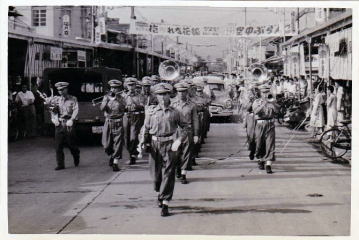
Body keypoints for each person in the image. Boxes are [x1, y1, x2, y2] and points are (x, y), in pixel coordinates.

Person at [142, 83, 188, 217]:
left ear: (170, 95)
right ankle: (160, 191)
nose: (162, 97)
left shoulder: (175, 112)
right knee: (156, 177)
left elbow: (186, 128)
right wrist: (143, 142)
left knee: (169, 174)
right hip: (155, 145)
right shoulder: (151, 112)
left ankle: (165, 202)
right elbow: (145, 128)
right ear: (156, 96)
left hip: (170, 144)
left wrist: (178, 141)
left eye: (165, 94)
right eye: (160, 94)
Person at [45, 82, 80, 170]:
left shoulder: (73, 99)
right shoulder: (56, 99)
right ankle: (60, 164)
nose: (60, 91)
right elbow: (52, 110)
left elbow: (76, 110)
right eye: (59, 90)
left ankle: (76, 155)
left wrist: (72, 119)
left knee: (71, 144)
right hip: (59, 124)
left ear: (66, 89)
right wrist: (53, 118)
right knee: (58, 146)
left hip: (69, 123)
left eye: (62, 89)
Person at [171, 82, 199, 184]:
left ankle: (183, 174)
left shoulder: (192, 105)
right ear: (177, 92)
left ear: (187, 92)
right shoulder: (172, 104)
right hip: (176, 131)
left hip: (187, 131)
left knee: (187, 153)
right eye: (179, 92)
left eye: (183, 92)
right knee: (176, 153)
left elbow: (195, 120)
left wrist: (196, 134)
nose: (181, 94)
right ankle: (178, 169)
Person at [100, 79, 126, 172]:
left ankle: (115, 162)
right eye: (112, 88)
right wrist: (106, 100)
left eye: (115, 88)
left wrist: (117, 99)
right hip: (108, 121)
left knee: (118, 143)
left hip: (118, 122)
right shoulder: (106, 97)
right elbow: (102, 108)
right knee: (106, 144)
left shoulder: (122, 98)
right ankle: (112, 155)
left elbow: (123, 108)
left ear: (119, 88)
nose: (113, 89)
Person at [252, 84, 279, 174]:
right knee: (259, 144)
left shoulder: (272, 101)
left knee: (270, 144)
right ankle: (260, 159)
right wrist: (264, 104)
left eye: (267, 92)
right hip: (260, 124)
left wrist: (273, 103)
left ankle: (268, 164)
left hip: (270, 124)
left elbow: (277, 111)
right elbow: (256, 111)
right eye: (264, 92)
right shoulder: (256, 101)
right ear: (260, 93)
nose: (265, 94)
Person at [123, 77, 145, 165]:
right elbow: (120, 106)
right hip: (126, 117)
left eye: (132, 85)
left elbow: (143, 105)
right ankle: (130, 152)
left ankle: (132, 155)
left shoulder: (140, 95)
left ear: (135, 86)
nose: (131, 87)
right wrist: (125, 107)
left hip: (136, 117)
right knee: (126, 137)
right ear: (126, 86)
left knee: (133, 136)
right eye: (129, 85)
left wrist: (136, 106)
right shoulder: (123, 96)